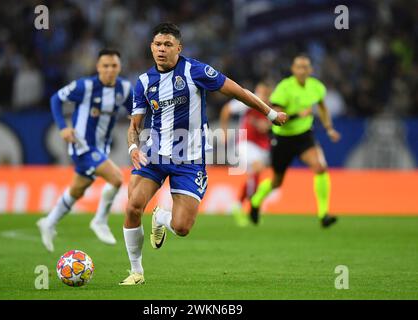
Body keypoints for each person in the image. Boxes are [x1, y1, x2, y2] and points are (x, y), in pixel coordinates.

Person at [119, 23, 287, 285]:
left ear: (178, 48)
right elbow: (134, 126)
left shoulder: (195, 70)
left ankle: (161, 216)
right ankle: (136, 271)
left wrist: (271, 113)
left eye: (167, 45)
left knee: (182, 228)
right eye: (157, 45)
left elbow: (239, 93)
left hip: (190, 159)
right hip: (155, 156)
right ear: (151, 47)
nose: (161, 50)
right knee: (132, 207)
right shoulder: (143, 83)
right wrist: (132, 147)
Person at [37, 49, 133, 252]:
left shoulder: (124, 88)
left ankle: (49, 222)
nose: (109, 70)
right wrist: (63, 127)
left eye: (113, 66)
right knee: (116, 178)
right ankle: (99, 221)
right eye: (105, 66)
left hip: (101, 147)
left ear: (119, 67)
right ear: (98, 67)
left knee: (77, 189)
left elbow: (136, 110)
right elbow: (56, 99)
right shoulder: (85, 86)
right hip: (81, 145)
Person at [248, 54, 341, 227]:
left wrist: (329, 128)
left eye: (305, 67)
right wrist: (299, 115)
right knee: (277, 181)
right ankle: (255, 201)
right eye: (299, 67)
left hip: (304, 135)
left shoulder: (316, 87)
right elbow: (275, 115)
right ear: (293, 69)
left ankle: (323, 214)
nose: (302, 70)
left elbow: (322, 106)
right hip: (282, 138)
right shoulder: (284, 88)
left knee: (320, 167)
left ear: (311, 70)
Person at [219, 82, 273, 226]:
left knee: (256, 175)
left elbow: (273, 123)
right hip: (246, 142)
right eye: (259, 91)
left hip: (262, 146)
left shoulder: (272, 106)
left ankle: (240, 206)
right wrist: (224, 131)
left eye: (264, 93)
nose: (261, 95)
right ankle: (250, 206)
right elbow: (227, 109)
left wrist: (267, 126)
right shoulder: (248, 100)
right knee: (256, 168)